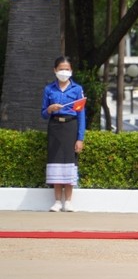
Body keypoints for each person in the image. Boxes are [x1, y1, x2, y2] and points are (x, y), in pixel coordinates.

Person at [41, 56, 86, 213]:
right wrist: (50, 109)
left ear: (71, 71)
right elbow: (43, 114)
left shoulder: (77, 89)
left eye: (67, 69)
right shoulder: (49, 89)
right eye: (61, 69)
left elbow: (81, 115)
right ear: (55, 70)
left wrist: (80, 138)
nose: (64, 72)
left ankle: (68, 201)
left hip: (70, 126)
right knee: (55, 162)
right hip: (54, 126)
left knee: (69, 162)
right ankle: (57, 201)